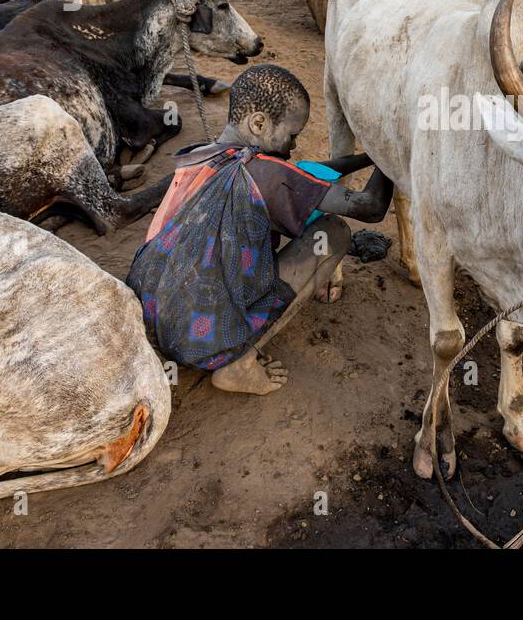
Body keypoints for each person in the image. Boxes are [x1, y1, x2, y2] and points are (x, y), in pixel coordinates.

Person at [127, 65, 393, 394]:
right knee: (335, 232)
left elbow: (301, 174)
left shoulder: (201, 155)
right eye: (292, 135)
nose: (293, 146)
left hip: (148, 309)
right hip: (200, 338)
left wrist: (367, 158)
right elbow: (371, 207)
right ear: (258, 123)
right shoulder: (265, 173)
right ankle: (238, 363)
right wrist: (391, 151)